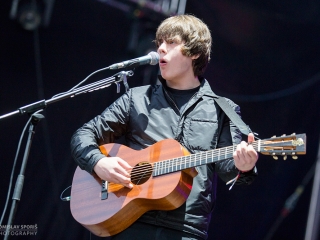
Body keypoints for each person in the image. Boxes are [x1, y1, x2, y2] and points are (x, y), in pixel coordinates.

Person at [70, 14, 258, 240]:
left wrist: (244, 166)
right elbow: (84, 135)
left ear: (195, 52)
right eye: (159, 42)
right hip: (126, 221)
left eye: (171, 43)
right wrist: (98, 162)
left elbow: (231, 169)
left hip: (184, 230)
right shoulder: (136, 99)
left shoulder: (223, 110)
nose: (161, 49)